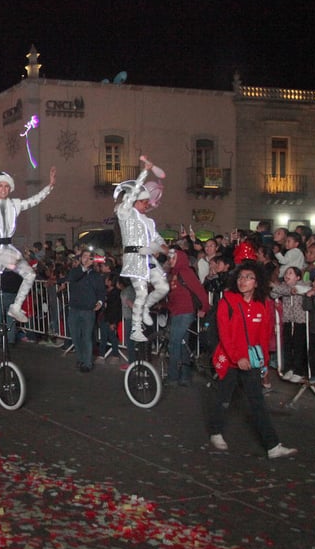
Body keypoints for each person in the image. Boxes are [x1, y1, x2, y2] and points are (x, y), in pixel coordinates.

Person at [209, 261, 298, 459]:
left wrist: (263, 363)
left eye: (249, 277)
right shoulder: (227, 302)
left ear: (257, 282)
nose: (243, 281)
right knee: (224, 399)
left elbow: (263, 337)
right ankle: (216, 431)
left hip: (251, 361)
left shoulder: (263, 304)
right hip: (231, 361)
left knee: (257, 403)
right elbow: (224, 335)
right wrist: (236, 357)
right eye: (241, 277)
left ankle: (273, 446)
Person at [0, 167, 56, 345]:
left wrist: (50, 186)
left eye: (6, 186)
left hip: (7, 249)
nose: (3, 189)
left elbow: (33, 201)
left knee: (30, 274)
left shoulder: (14, 204)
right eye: (0, 186)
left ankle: (16, 307)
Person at [114, 157, 169, 342]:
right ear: (136, 201)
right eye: (145, 201)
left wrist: (165, 248)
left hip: (149, 259)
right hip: (134, 258)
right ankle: (136, 329)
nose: (148, 204)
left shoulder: (149, 221)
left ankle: (146, 307)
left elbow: (157, 238)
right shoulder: (125, 214)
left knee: (163, 287)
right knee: (142, 292)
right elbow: (132, 193)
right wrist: (145, 171)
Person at [166, 248, 210, 386]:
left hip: (185, 312)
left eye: (173, 258)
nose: (171, 260)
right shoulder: (174, 273)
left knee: (174, 343)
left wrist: (204, 307)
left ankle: (173, 377)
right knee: (182, 344)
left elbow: (199, 290)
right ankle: (185, 376)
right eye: (170, 258)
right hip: (177, 312)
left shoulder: (185, 272)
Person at [67, 250, 105, 372]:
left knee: (87, 337)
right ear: (80, 258)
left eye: (90, 257)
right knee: (75, 336)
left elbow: (101, 291)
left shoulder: (96, 275)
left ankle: (87, 363)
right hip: (74, 309)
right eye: (85, 256)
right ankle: (81, 358)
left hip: (88, 310)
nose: (87, 259)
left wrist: (100, 302)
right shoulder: (75, 271)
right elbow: (73, 278)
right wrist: (83, 267)